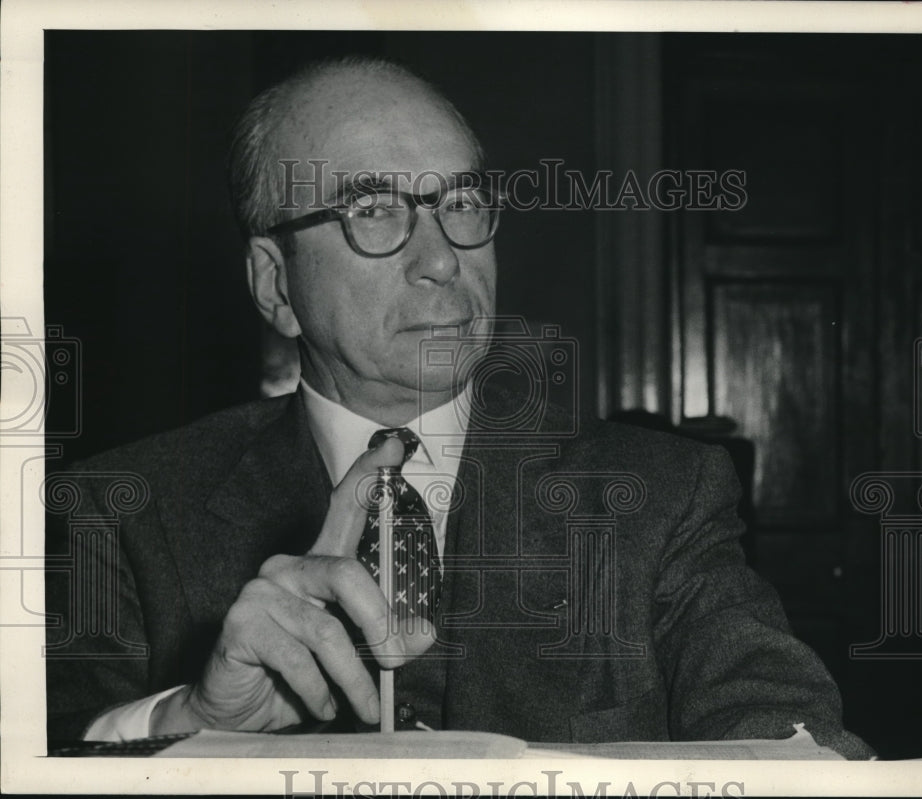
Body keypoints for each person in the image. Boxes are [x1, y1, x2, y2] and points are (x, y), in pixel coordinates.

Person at [45, 56, 873, 758]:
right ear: (276, 284)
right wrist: (193, 722)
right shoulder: (119, 511)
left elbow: (786, 733)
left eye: (462, 203)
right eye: (374, 210)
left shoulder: (662, 493)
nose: (443, 259)